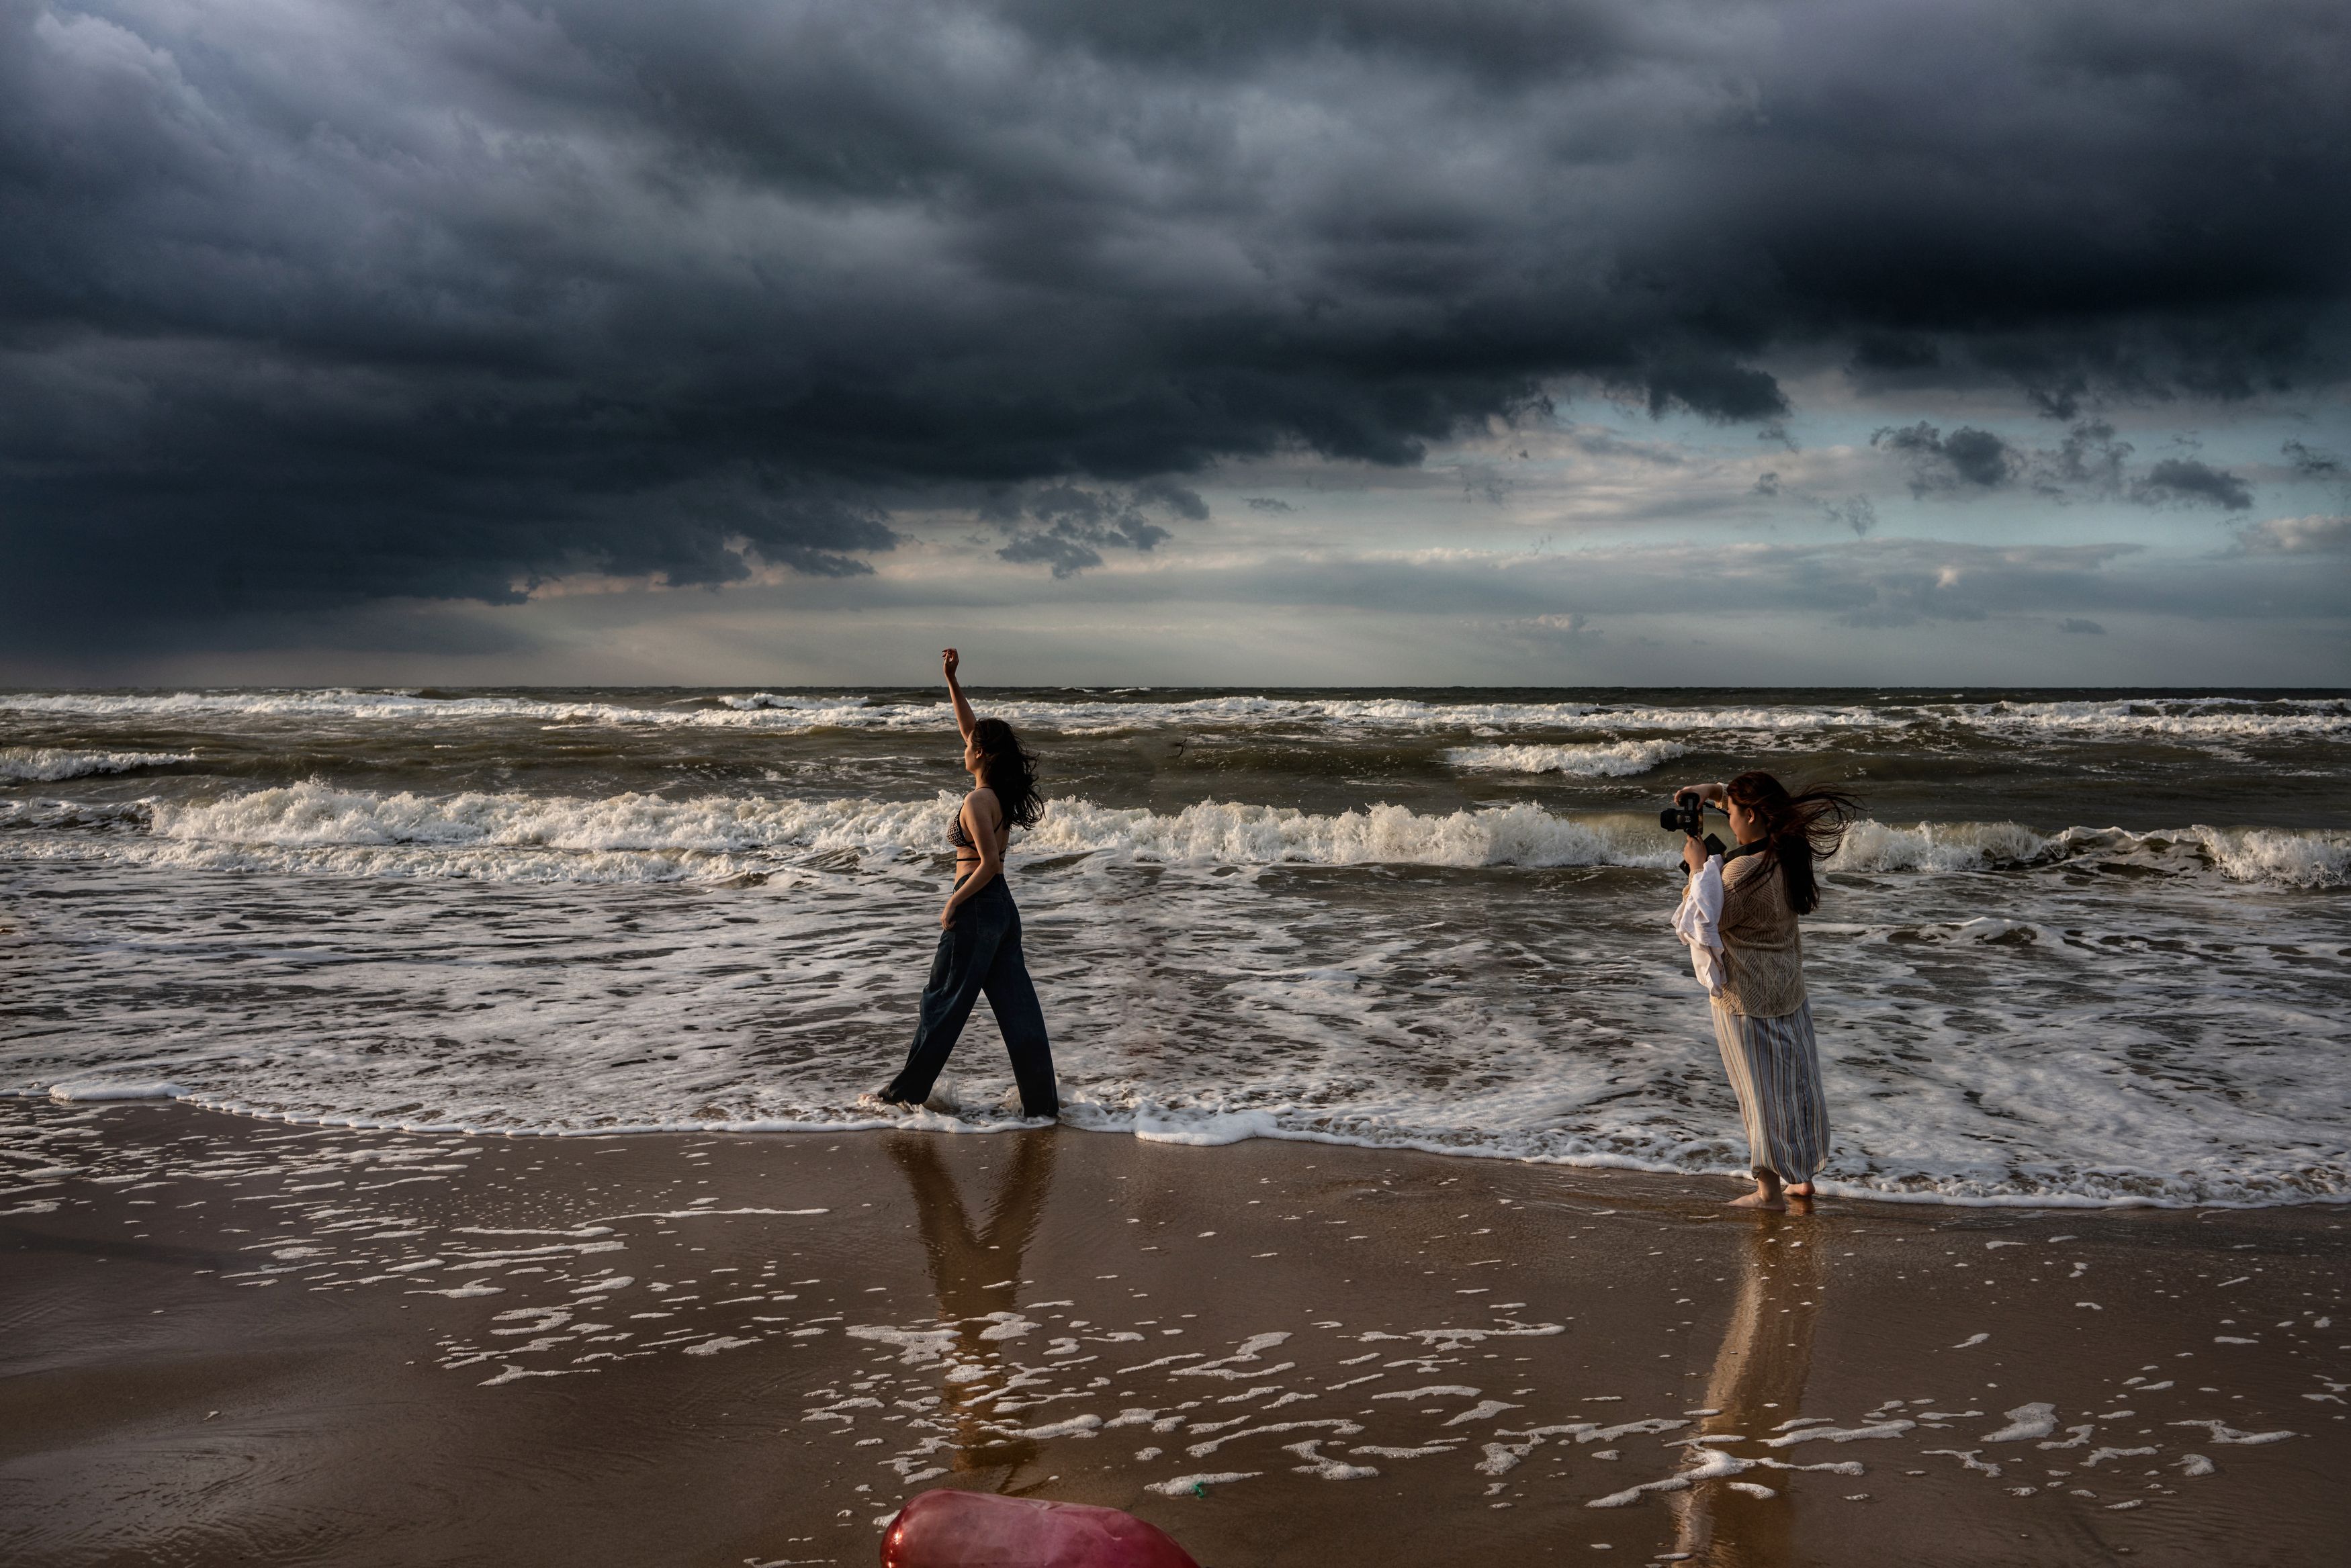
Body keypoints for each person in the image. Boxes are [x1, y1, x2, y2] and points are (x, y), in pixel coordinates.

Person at [880, 649, 1060, 1119]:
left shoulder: (977, 800)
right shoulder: (997, 793)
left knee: (940, 1002)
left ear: (980, 754)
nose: (963, 745)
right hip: (1002, 912)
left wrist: (954, 902)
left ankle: (904, 1094)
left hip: (978, 904)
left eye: (970, 744)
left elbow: (990, 865)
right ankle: (1043, 1106)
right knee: (1019, 1012)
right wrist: (952, 681)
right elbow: (970, 729)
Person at [1671, 772, 1860, 1210]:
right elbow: (1748, 816)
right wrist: (1714, 792)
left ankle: (1769, 1193)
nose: (1729, 820)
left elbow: (1700, 922)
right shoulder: (1787, 854)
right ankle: (1801, 1179)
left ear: (1753, 815)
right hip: (1789, 992)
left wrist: (1698, 867)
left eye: (1732, 813)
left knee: (1759, 1098)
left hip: (1746, 1002)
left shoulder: (1739, 874)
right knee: (1795, 1089)